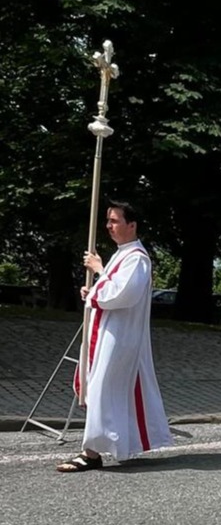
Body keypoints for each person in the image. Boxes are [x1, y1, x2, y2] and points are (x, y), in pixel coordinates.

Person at [57, 200, 174, 472]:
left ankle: (91, 453)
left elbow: (122, 294)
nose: (109, 226)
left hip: (119, 338)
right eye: (108, 221)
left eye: (115, 221)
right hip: (108, 333)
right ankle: (99, 448)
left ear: (131, 225)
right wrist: (93, 293)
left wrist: (99, 271)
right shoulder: (122, 255)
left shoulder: (137, 259)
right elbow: (109, 292)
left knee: (102, 390)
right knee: (101, 390)